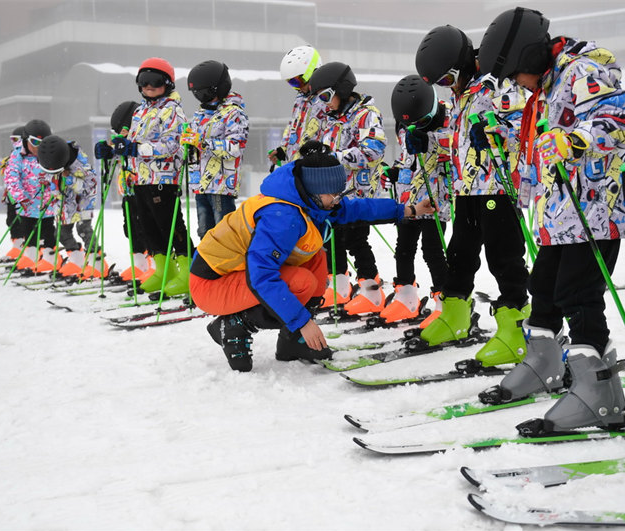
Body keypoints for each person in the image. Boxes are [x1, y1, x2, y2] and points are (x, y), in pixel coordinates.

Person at [475, 7, 625, 433]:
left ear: (528, 57)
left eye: (514, 75)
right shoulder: (547, 87)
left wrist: (577, 140)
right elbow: (542, 142)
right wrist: (497, 134)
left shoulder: (581, 71)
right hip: (560, 214)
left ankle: (599, 394)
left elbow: (616, 121)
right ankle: (543, 363)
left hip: (594, 212)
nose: (515, 84)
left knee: (578, 295)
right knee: (543, 287)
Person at [189, 141, 434, 372]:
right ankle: (235, 325)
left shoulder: (309, 200)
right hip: (211, 283)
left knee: (315, 259)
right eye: (334, 195)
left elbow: (358, 208)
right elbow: (262, 276)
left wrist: (408, 210)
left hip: (238, 275)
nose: (338, 200)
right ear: (316, 191)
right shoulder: (281, 216)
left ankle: (291, 341)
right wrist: (302, 321)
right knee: (300, 282)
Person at [415, 25, 531, 367]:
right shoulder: (462, 94)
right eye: (441, 85)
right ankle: (455, 315)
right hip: (466, 186)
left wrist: (497, 130)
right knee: (460, 253)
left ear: (464, 63)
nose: (448, 88)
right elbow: (458, 138)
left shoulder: (500, 83)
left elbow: (524, 129)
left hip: (498, 186)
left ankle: (514, 329)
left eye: (448, 79)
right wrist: (428, 140)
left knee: (504, 257)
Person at [308, 61, 388, 314]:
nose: (324, 103)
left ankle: (371, 289)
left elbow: (374, 151)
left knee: (356, 239)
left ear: (341, 89)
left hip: (358, 192)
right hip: (333, 193)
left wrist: (335, 156)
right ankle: (339, 285)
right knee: (333, 240)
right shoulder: (331, 119)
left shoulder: (366, 113)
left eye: (326, 96)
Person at [114, 57, 193, 297]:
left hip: (163, 179)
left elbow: (170, 145)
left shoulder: (172, 109)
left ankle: (187, 273)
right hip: (140, 179)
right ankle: (164, 271)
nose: (148, 86)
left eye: (155, 81)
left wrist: (136, 149)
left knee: (169, 226)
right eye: (143, 81)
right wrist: (117, 147)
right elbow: (133, 141)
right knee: (148, 228)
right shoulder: (140, 111)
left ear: (168, 84)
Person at [382, 74, 451, 326]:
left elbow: (457, 150)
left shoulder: (450, 116)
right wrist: (396, 171)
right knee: (403, 248)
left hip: (437, 198)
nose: (413, 126)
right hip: (410, 196)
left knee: (433, 251)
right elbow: (407, 159)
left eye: (421, 122)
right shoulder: (404, 124)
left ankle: (446, 303)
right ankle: (406, 298)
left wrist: (430, 141)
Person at [183, 60, 249, 238]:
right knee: (204, 231)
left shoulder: (233, 113)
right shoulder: (200, 114)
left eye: (205, 93)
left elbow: (235, 147)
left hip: (221, 185)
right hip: (201, 185)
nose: (202, 98)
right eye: (198, 94)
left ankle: (226, 264)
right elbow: (195, 145)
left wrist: (203, 143)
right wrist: (188, 144)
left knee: (222, 232)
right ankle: (209, 264)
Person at [96, 100, 155, 283]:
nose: (121, 135)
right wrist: (108, 151)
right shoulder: (124, 141)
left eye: (123, 131)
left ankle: (154, 264)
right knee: (130, 227)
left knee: (147, 227)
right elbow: (118, 151)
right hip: (128, 190)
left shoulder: (144, 136)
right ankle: (139, 264)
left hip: (145, 187)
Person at [37, 135, 104, 278]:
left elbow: (90, 185)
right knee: (61, 233)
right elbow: (50, 177)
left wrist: (69, 178)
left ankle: (97, 263)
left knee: (83, 229)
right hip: (64, 202)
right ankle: (76, 260)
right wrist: (47, 185)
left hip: (83, 201)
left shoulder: (80, 164)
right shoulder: (49, 160)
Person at [2, 119, 61, 273]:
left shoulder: (49, 154)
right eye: (34, 142)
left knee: (48, 231)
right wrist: (20, 197)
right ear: (25, 140)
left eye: (43, 142)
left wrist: (50, 184)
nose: (38, 147)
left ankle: (50, 257)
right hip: (27, 205)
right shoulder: (17, 156)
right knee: (29, 232)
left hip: (46, 205)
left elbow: (58, 174)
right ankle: (31, 256)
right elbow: (11, 178)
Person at [268, 45, 326, 165]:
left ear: (312, 72)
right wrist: (283, 150)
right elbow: (294, 125)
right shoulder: (301, 98)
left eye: (298, 82)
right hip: (297, 166)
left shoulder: (327, 100)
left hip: (316, 167)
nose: (298, 88)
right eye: (292, 83)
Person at [0, 126, 27, 261]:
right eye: (12, 139)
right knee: (11, 220)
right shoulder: (14, 153)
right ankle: (17, 246)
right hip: (11, 194)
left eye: (16, 139)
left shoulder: (26, 154)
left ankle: (30, 247)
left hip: (23, 194)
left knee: (23, 221)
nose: (14, 142)